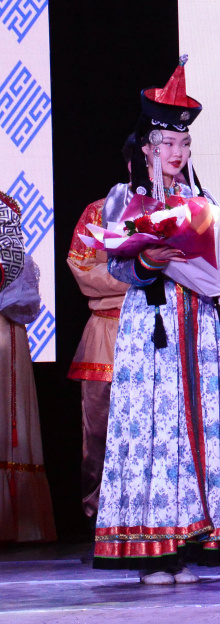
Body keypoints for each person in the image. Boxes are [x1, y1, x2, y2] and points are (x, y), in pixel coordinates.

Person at [93, 57, 220, 583]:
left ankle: (188, 543)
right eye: (167, 143)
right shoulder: (126, 199)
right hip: (153, 327)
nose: (177, 153)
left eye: (183, 144)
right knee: (155, 427)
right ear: (146, 148)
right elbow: (118, 264)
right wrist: (147, 260)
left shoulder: (205, 203)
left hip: (201, 327)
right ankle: (152, 551)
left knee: (197, 426)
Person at [65, 137, 133, 529]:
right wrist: (138, 278)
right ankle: (99, 518)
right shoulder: (98, 211)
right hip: (105, 333)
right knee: (99, 432)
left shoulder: (178, 211)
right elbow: (82, 269)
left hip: (159, 331)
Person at [0, 192, 56, 543]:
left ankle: (17, 520)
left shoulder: (15, 254)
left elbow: (24, 304)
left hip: (5, 333)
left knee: (9, 416)